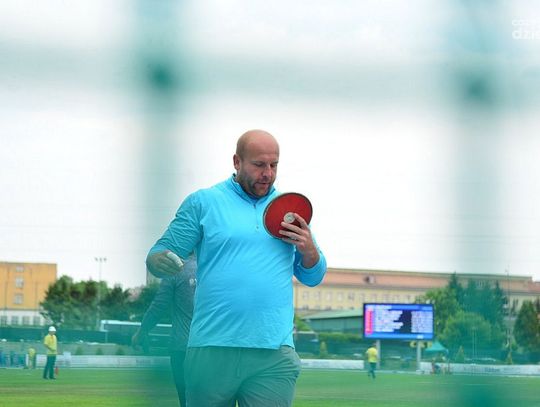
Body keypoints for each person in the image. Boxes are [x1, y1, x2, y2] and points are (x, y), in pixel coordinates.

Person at [146, 129, 327, 407]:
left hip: (273, 352)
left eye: (274, 165)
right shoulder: (203, 202)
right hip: (212, 348)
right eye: (259, 165)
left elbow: (313, 276)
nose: (268, 173)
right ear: (237, 162)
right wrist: (157, 260)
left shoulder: (289, 209)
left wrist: (309, 249)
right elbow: (161, 251)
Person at [132, 255, 196, 407]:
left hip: (182, 348)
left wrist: (141, 332)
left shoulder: (175, 270)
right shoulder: (214, 267)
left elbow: (158, 306)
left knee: (186, 401)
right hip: (211, 349)